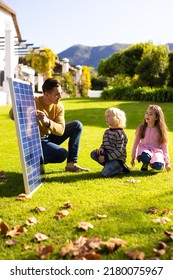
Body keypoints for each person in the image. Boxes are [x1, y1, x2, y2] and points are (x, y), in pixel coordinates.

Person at [9, 78, 90, 172]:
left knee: (77, 125)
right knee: (62, 154)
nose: (60, 96)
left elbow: (61, 131)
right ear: (46, 94)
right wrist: (22, 98)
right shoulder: (32, 101)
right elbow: (12, 116)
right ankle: (34, 160)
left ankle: (71, 165)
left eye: (60, 93)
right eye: (57, 94)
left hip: (49, 137)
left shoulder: (59, 106)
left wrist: (47, 122)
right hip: (36, 141)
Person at [90, 107, 130, 177]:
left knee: (104, 174)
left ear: (117, 119)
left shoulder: (120, 133)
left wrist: (106, 158)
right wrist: (102, 149)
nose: (106, 118)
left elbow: (119, 151)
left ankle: (121, 167)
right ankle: (109, 166)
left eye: (108, 116)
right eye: (106, 116)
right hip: (108, 156)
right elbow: (104, 144)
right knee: (94, 154)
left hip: (117, 159)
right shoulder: (107, 132)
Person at [131, 104, 171, 172]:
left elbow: (164, 147)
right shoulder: (141, 128)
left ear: (156, 118)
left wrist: (167, 163)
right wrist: (133, 157)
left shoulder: (160, 130)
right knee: (145, 155)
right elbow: (136, 143)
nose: (147, 115)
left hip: (157, 151)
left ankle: (152, 163)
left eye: (151, 114)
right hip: (144, 149)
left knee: (159, 166)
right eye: (147, 113)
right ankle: (145, 163)